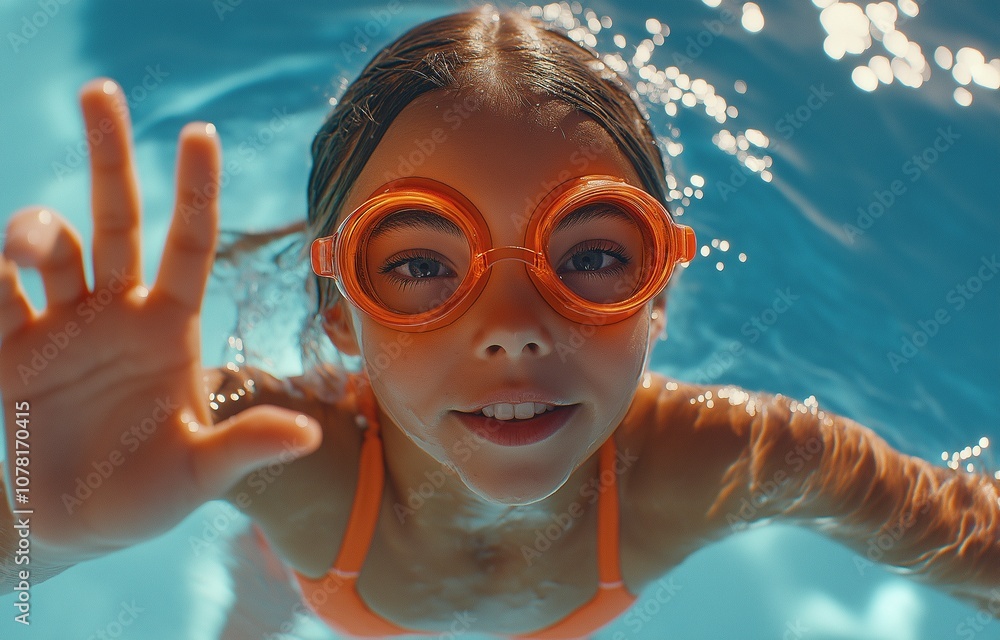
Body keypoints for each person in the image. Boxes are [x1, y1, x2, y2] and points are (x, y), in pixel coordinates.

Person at [0, 5, 997, 638]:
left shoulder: (730, 458)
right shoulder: (276, 452)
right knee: (261, 592)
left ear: (657, 293)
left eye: (594, 257)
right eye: (422, 266)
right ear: (340, 313)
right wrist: (50, 537)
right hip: (309, 561)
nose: (514, 328)